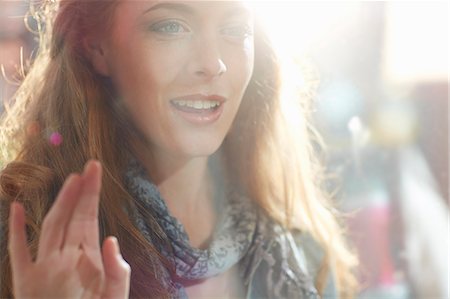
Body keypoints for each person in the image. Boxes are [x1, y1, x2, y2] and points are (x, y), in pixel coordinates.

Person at [0, 1, 358, 298]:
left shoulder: (302, 256)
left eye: (235, 29)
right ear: (96, 46)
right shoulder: (20, 233)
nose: (211, 63)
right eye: (171, 26)